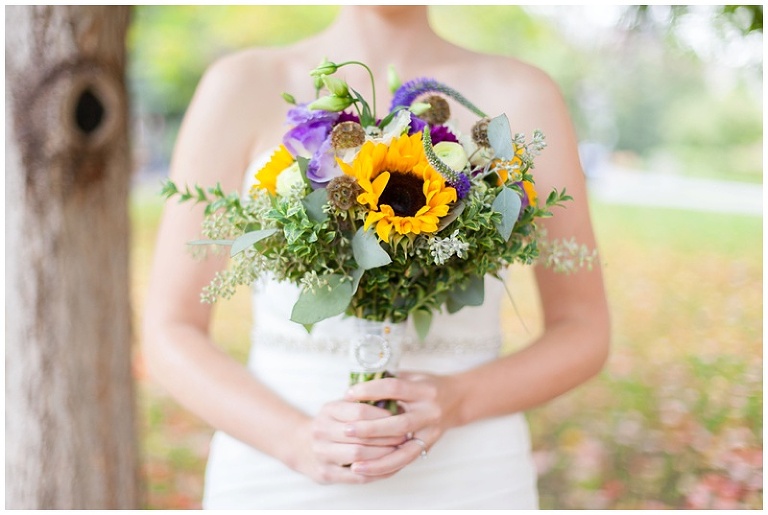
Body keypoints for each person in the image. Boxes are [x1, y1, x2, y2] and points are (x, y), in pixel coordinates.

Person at [142, 5, 610, 509]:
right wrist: (295, 440)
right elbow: (170, 330)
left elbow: (584, 329)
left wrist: (459, 399)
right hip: (276, 474)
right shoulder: (240, 84)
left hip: (469, 473)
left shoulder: (524, 94)